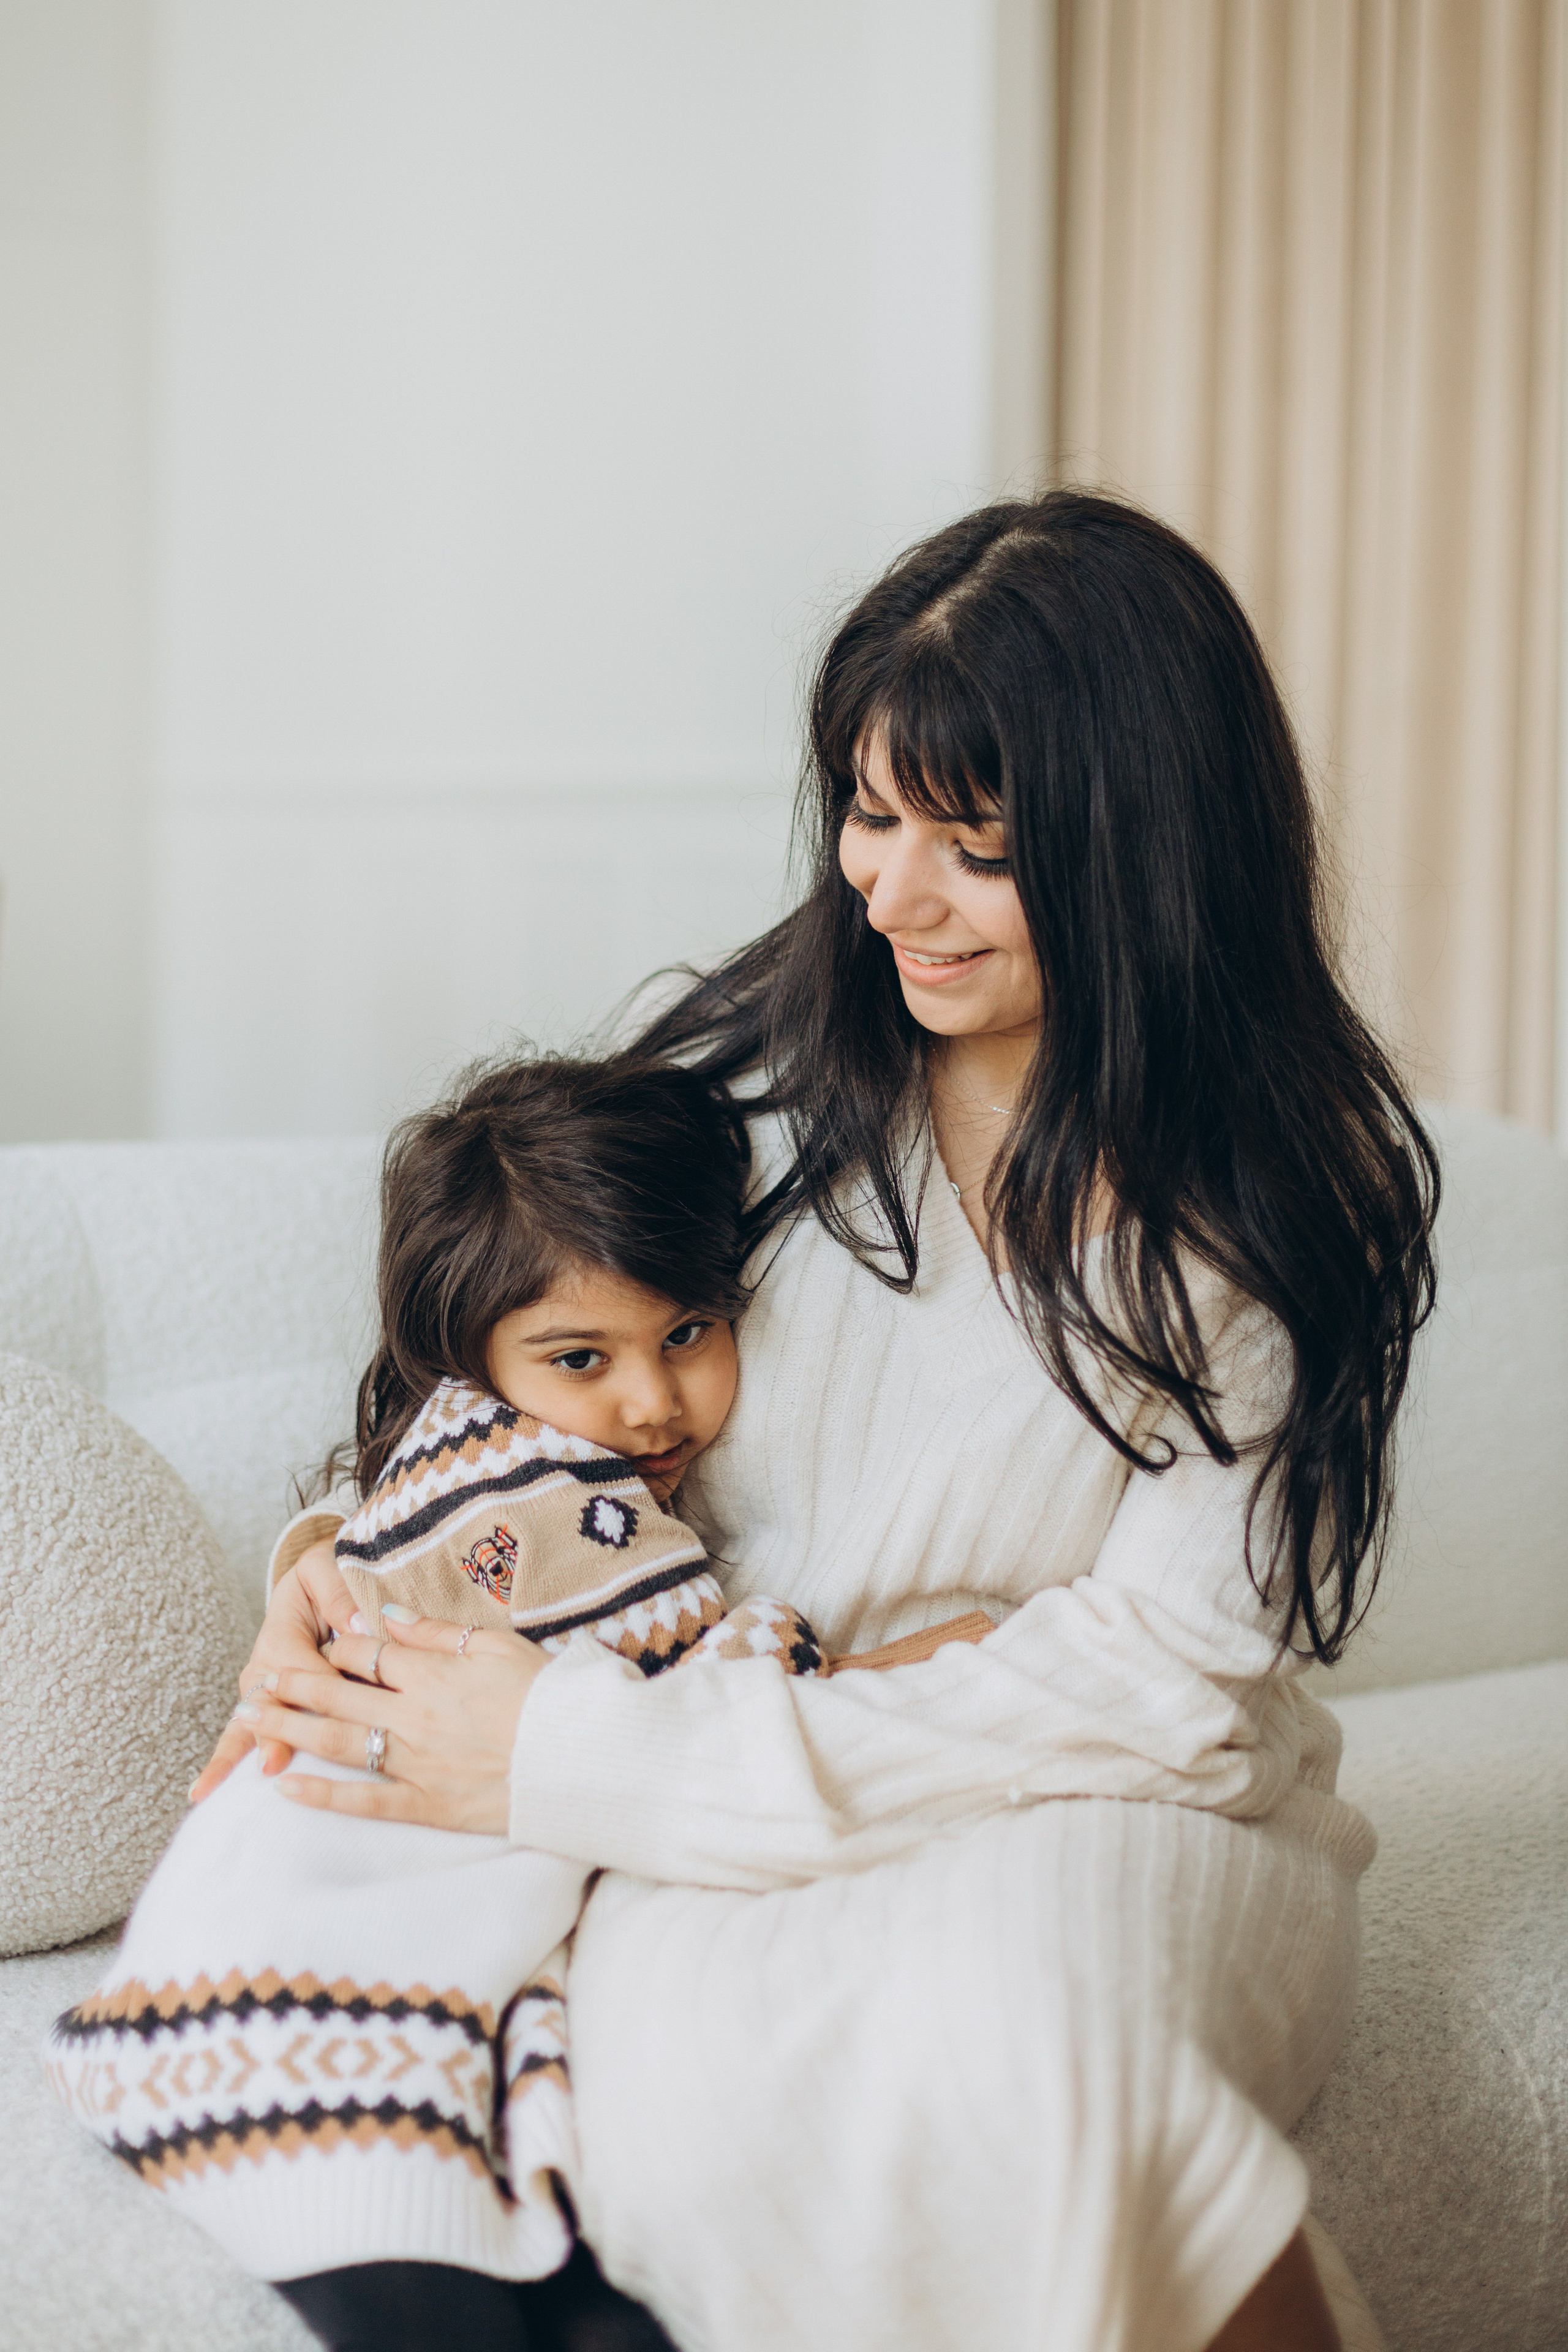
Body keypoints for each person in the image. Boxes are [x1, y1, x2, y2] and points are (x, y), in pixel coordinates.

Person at [191, 491, 1438, 2352]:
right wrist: (340, 1576)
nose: (891, 893)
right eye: (870, 814)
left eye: (975, 843)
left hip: (1107, 1796)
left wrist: (598, 1754)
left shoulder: (1262, 1210)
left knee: (1051, 2050)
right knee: (712, 2098)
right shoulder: (749, 1094)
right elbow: (505, 1358)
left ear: (1142, 851)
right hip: (695, 1774)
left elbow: (1156, 1689)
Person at [48, 1055, 867, 2339]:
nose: (649, 1399)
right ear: (466, 1360)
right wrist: (878, 1661)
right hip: (309, 1909)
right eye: (580, 1355)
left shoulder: (505, 1457)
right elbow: (676, 1674)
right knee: (402, 2230)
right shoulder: (531, 1494)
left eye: (688, 1333)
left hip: (358, 1910)